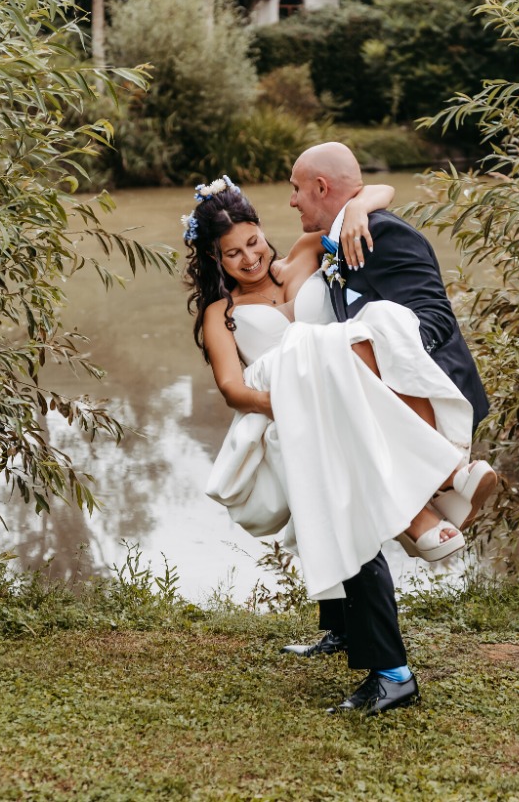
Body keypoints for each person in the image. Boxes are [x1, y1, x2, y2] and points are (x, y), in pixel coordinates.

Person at [183, 167, 494, 714]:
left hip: (354, 404)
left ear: (262, 230)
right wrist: (300, 402)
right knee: (345, 524)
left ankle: (383, 663)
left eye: (253, 241)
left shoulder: (304, 255)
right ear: (215, 258)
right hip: (295, 417)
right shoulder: (220, 314)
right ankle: (375, 647)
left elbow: (376, 192)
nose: (250, 258)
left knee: (348, 519)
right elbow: (233, 390)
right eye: (232, 253)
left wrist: (354, 212)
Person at [279, 141, 494, 716]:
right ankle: (358, 632)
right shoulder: (336, 240)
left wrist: (377, 355)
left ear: (322, 187)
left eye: (297, 188)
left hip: (411, 401)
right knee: (344, 512)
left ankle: (392, 675)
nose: (292, 200)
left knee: (354, 516)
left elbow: (433, 319)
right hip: (351, 406)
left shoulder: (384, 233)